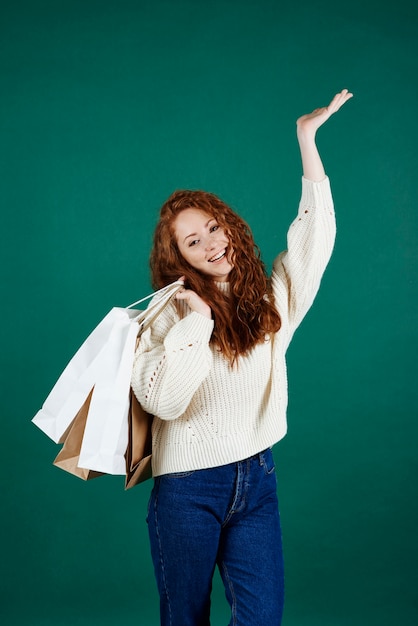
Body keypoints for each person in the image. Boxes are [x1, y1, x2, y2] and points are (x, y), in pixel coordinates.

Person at [131, 89, 353, 626]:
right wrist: (196, 324)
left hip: (258, 478)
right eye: (191, 242)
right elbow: (161, 398)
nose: (210, 242)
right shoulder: (167, 316)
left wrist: (307, 140)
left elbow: (315, 238)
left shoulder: (269, 299)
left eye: (212, 226)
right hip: (187, 490)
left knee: (261, 618)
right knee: (185, 619)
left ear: (228, 224)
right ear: (177, 259)